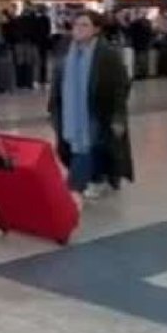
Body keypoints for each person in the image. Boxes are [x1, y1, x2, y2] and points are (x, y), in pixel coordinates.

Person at [48, 12, 133, 204]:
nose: (78, 28)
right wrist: (52, 107)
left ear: (96, 29)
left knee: (86, 147)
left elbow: (121, 85)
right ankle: (97, 177)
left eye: (85, 25)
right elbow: (57, 82)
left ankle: (74, 188)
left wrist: (118, 116)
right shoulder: (65, 50)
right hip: (68, 111)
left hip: (95, 110)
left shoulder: (107, 54)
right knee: (69, 149)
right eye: (76, 24)